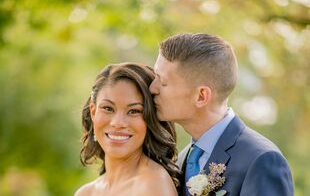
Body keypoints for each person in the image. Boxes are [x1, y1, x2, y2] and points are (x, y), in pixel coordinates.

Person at [149, 33, 294, 196]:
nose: (152, 88)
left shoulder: (261, 160)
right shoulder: (183, 158)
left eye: (163, 82)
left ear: (201, 96)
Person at [75, 62, 180, 196]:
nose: (118, 123)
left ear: (151, 119)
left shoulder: (153, 185)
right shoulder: (85, 192)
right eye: (108, 108)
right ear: (93, 112)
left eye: (134, 111)